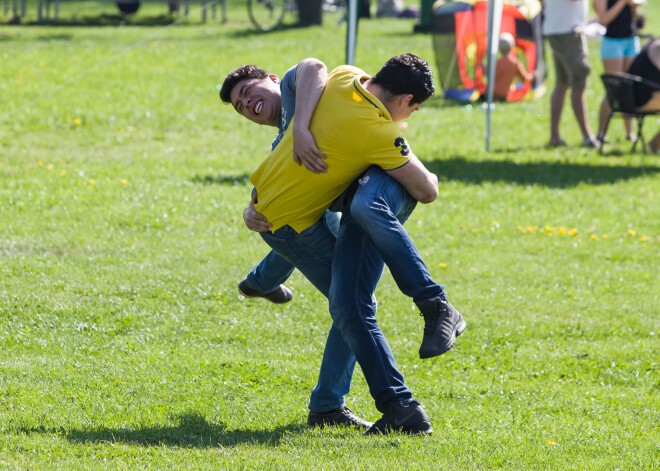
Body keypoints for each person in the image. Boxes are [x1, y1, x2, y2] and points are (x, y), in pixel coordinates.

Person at [220, 56, 465, 432]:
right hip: (289, 224)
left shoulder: (334, 82)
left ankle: (262, 283)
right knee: (352, 303)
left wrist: (300, 128)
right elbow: (426, 189)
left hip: (290, 213)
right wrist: (299, 130)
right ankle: (331, 406)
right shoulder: (373, 130)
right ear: (406, 100)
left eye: (248, 93)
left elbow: (314, 66)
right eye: (412, 110)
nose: (247, 105)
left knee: (352, 300)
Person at [542, 0, 599, 148]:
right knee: (578, 83)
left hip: (557, 27)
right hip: (568, 31)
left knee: (562, 84)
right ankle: (587, 137)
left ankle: (554, 136)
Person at [594, 0, 641, 144]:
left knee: (629, 87)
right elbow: (604, 19)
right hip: (613, 42)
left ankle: (629, 133)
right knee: (614, 88)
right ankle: (600, 134)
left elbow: (634, 16)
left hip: (631, 40)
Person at [626, 37, 660, 151]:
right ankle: (655, 145)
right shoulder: (657, 48)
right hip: (640, 99)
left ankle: (655, 144)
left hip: (628, 98)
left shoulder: (653, 43)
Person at [493, 32, 534, 101]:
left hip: (491, 94)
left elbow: (486, 72)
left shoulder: (495, 63)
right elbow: (524, 78)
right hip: (504, 96)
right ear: (512, 46)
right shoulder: (515, 63)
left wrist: (482, 66)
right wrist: (533, 76)